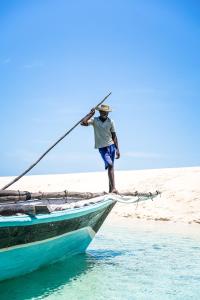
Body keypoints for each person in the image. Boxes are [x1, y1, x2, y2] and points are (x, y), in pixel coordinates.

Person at [81, 104, 120, 193]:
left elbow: (114, 135)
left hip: (111, 146)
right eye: (103, 111)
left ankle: (111, 190)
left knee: (111, 168)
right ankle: (114, 188)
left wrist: (117, 149)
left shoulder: (111, 121)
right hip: (102, 148)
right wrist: (90, 114)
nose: (105, 113)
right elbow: (83, 123)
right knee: (110, 165)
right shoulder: (95, 120)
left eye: (106, 112)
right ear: (100, 112)